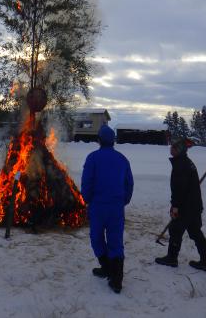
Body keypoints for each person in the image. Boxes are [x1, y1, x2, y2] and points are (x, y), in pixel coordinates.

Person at [81, 124, 134, 294]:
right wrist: (123, 201)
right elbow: (129, 184)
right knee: (115, 241)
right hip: (116, 208)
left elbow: (87, 182)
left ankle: (107, 267)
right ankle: (115, 278)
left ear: (99, 140)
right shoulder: (122, 159)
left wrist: (87, 199)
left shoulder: (92, 158)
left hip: (98, 207)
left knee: (96, 238)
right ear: (113, 141)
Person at [155, 137, 206, 272]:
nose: (171, 148)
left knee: (175, 230)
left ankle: (172, 258)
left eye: (173, 147)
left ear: (178, 150)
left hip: (186, 206)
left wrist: (175, 207)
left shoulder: (181, 165)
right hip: (194, 205)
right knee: (195, 232)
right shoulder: (186, 162)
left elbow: (179, 189)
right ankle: (205, 261)